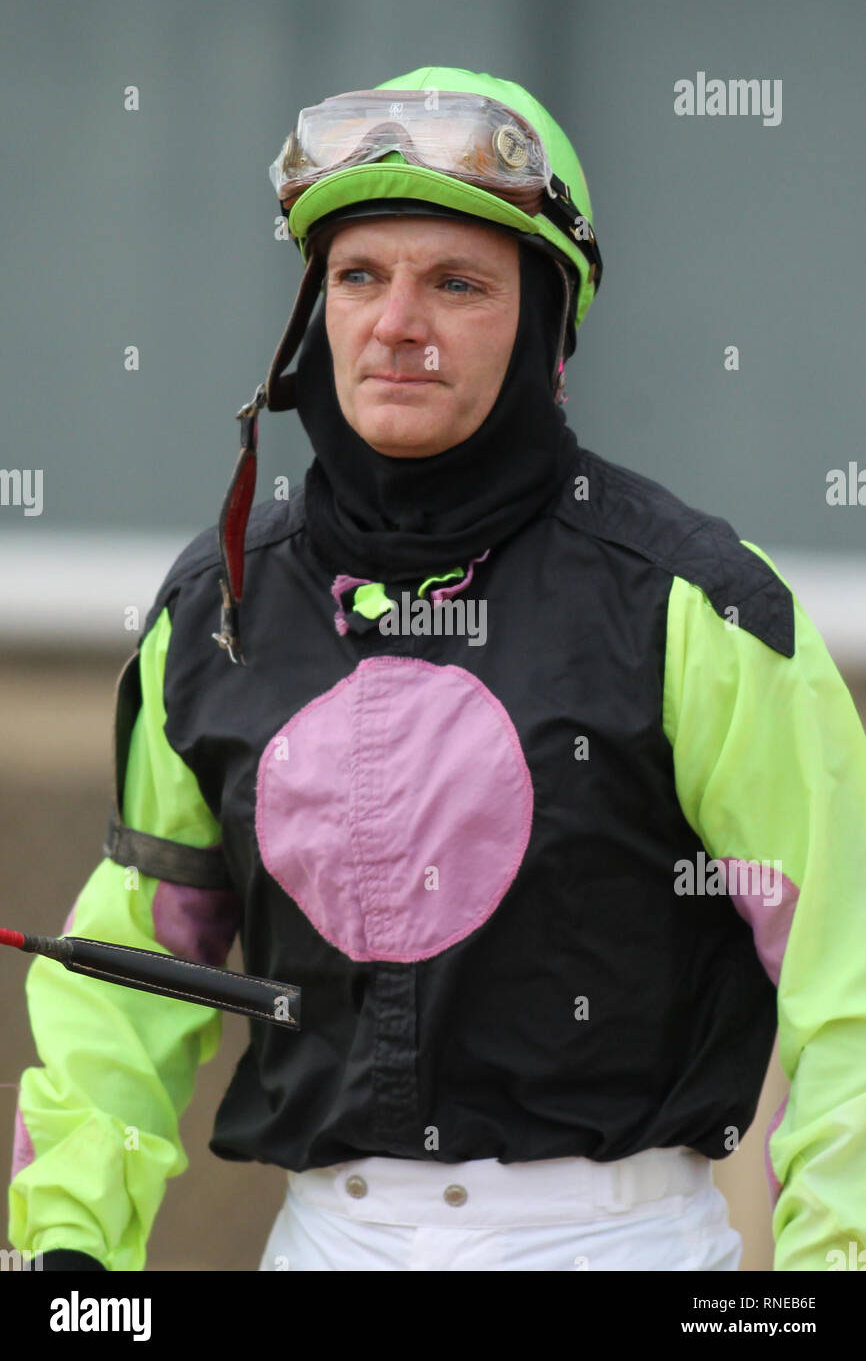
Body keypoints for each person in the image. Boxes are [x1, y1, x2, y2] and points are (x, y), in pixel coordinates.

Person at [7, 64, 866, 1273]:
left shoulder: (698, 606)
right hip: (322, 1241)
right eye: (358, 277)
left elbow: (851, 980)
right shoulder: (215, 603)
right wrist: (67, 1253)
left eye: (456, 284)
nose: (395, 324)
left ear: (547, 326)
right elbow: (134, 972)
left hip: (620, 1246)